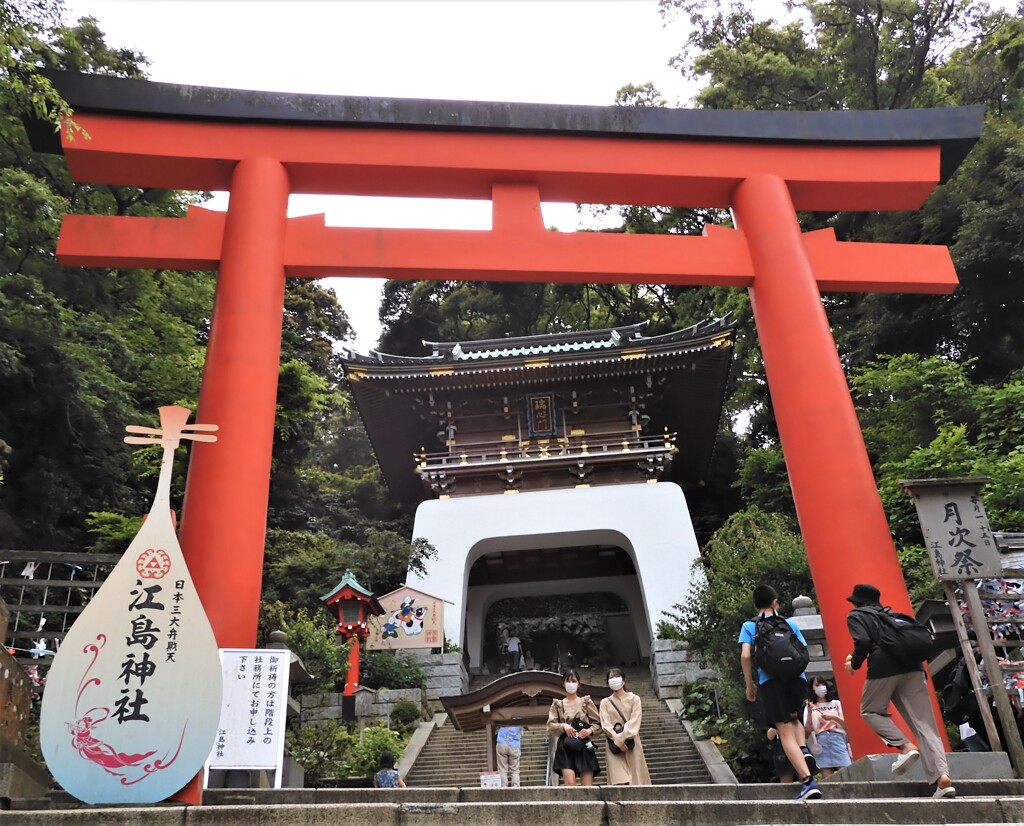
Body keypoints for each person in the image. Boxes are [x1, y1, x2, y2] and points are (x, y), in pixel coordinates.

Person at [845, 582, 956, 798]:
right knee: (925, 725)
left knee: (870, 710)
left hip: (884, 666)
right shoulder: (894, 615)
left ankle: (905, 747)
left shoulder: (857, 615)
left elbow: (863, 641)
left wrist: (855, 664)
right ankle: (943, 780)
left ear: (857, 602)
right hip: (913, 668)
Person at [740, 584, 822, 800]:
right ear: (776, 602)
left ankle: (807, 781)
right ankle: (803, 750)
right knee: (796, 720)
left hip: (771, 681)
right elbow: (803, 651)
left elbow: (746, 656)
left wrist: (750, 685)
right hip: (797, 680)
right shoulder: (789, 623)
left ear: (755, 604)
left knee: (783, 730)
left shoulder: (750, 625)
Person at [546, 668, 601, 786]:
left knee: (587, 786)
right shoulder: (558, 704)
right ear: (563, 683)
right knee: (570, 784)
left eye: (574, 681)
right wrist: (564, 726)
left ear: (579, 684)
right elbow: (550, 725)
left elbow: (599, 723)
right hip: (566, 744)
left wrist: (589, 730)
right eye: (568, 681)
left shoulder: (585, 702)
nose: (571, 684)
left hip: (583, 743)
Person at [599, 667, 651, 785]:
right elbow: (605, 725)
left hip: (632, 743)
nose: (614, 680)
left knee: (636, 780)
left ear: (623, 679)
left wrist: (621, 738)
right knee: (619, 781)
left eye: (617, 676)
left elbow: (634, 722)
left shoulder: (634, 699)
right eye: (611, 677)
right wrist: (617, 740)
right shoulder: (605, 702)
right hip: (613, 745)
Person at [804, 677, 852, 777]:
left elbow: (848, 725)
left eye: (823, 684)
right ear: (812, 688)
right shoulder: (810, 707)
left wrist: (834, 718)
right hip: (820, 742)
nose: (821, 687)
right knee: (828, 779)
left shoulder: (836, 703)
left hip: (837, 738)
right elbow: (807, 731)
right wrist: (809, 712)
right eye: (817, 685)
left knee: (846, 774)